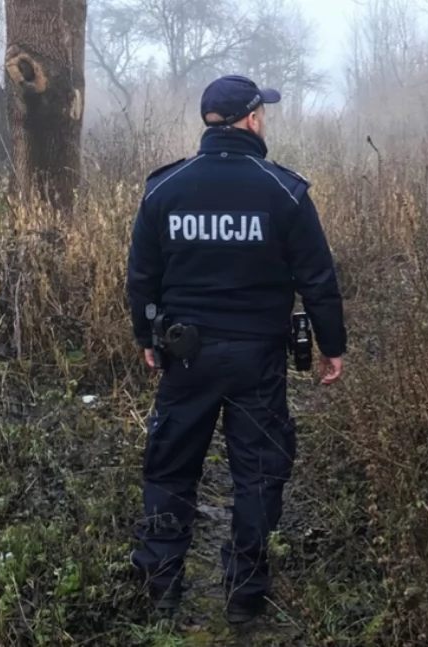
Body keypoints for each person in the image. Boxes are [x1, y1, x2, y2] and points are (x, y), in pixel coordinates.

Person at [125, 74, 347, 625]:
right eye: (261, 113)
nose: (263, 119)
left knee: (170, 471)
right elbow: (318, 279)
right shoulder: (284, 192)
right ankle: (245, 595)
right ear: (251, 119)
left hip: (185, 357)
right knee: (258, 473)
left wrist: (145, 337)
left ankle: (163, 589)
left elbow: (142, 277)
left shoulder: (164, 189)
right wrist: (332, 346)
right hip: (257, 360)